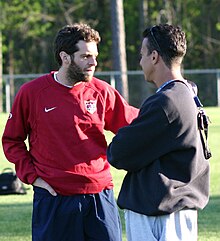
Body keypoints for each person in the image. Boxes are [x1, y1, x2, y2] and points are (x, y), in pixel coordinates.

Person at [2, 23, 138, 241]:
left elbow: (135, 124)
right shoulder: (32, 93)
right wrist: (33, 177)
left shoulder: (101, 91)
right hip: (53, 197)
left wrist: (172, 109)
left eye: (95, 56)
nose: (94, 62)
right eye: (85, 56)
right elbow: (12, 140)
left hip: (99, 196)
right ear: (65, 57)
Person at [107, 24, 210, 241]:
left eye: (143, 54)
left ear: (154, 57)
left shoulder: (166, 101)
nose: (140, 61)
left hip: (162, 211)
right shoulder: (187, 92)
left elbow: (118, 153)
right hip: (174, 207)